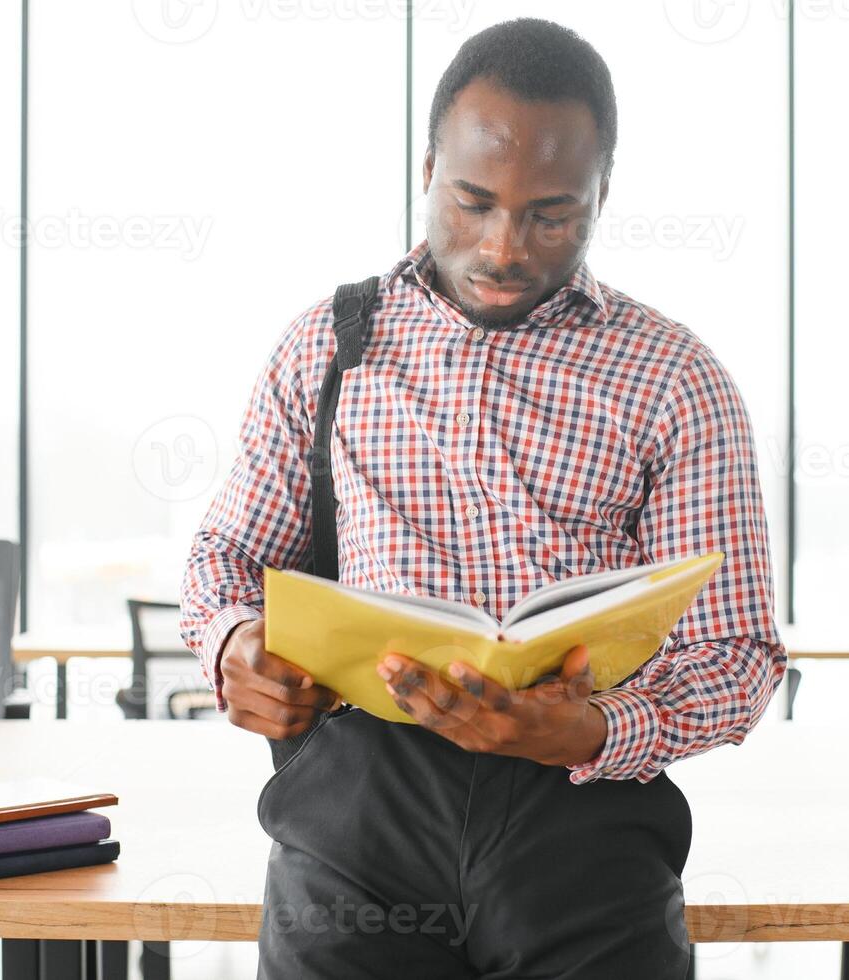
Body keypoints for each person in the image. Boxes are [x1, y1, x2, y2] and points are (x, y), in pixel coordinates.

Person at [181, 17, 787, 979]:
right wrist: (232, 645)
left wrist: (593, 729)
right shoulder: (327, 347)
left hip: (582, 827)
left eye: (551, 213)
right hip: (357, 816)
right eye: (472, 201)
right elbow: (226, 558)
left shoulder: (675, 379)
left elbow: (739, 655)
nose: (503, 246)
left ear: (601, 194)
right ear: (427, 169)